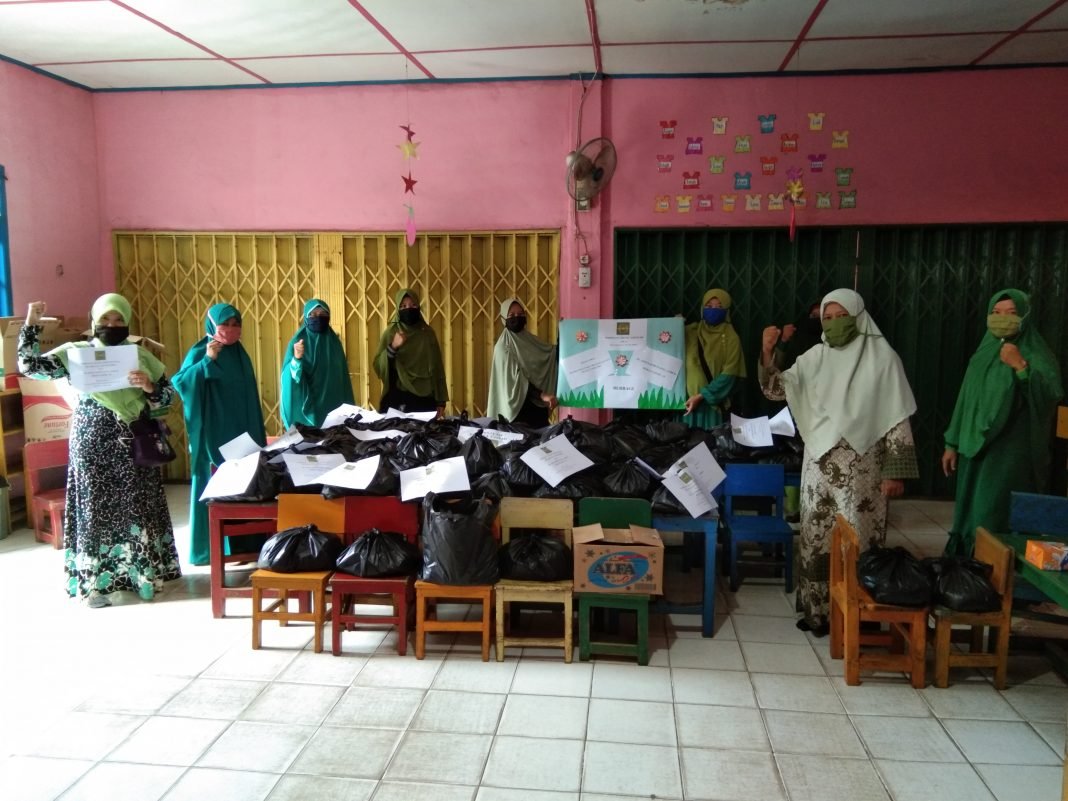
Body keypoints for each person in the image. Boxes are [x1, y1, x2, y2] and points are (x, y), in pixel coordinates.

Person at [759, 288, 918, 635]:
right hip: (818, 465)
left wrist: (895, 471)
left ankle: (859, 618)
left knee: (858, 539)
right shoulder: (815, 357)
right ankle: (818, 613)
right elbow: (776, 390)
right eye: (827, 318)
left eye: (841, 316)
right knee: (815, 537)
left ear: (858, 317)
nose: (833, 324)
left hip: (864, 468)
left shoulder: (882, 359)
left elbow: (897, 417)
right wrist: (768, 353)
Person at [18, 294, 182, 607]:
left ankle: (142, 577)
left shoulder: (140, 356)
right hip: (91, 443)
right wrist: (31, 325)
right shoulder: (75, 353)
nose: (112, 324)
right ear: (94, 320)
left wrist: (149, 387)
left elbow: (167, 398)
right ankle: (95, 585)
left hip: (133, 441)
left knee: (136, 506)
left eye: (119, 319)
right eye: (105, 319)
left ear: (128, 321)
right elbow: (30, 368)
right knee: (94, 509)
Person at [942, 289, 1063, 556]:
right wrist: (952, 443)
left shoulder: (1036, 353)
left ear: (1025, 317)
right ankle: (967, 566)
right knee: (970, 508)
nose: (1002, 319)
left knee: (992, 509)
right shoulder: (984, 352)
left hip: (1009, 451)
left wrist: (1021, 367)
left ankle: (994, 565)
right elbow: (966, 398)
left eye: (1011, 313)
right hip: (974, 447)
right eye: (996, 313)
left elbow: (1049, 396)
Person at [172, 303, 267, 567]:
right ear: (213, 325)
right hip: (214, 433)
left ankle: (247, 545)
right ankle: (212, 549)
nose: (231, 329)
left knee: (246, 486)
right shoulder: (201, 350)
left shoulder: (240, 354)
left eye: (236, 324)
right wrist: (207, 361)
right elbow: (180, 382)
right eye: (225, 324)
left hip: (243, 432)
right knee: (215, 487)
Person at [280, 298, 355, 428]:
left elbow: (343, 379)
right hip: (310, 407)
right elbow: (290, 377)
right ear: (305, 317)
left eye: (323, 314)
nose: (318, 318)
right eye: (313, 314)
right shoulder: (297, 342)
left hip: (334, 406)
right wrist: (297, 359)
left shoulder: (334, 343)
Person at [373, 288, 448, 415]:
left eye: (413, 305)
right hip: (399, 397)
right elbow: (378, 367)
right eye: (403, 306)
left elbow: (437, 367)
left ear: (419, 307)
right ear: (397, 309)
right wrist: (393, 346)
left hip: (426, 399)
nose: (409, 309)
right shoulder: (391, 333)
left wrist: (440, 400)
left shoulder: (428, 333)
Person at [487, 298, 558, 427]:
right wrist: (542, 395)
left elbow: (550, 354)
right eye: (511, 315)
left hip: (537, 409)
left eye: (520, 314)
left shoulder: (531, 340)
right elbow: (518, 380)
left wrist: (564, 333)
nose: (517, 318)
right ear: (503, 318)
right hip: (517, 412)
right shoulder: (503, 347)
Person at [682, 288, 746, 428]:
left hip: (712, 407)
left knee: (709, 439)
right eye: (709, 306)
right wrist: (674, 324)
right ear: (702, 308)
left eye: (719, 307)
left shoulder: (731, 338)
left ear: (726, 311)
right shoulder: (691, 331)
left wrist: (702, 396)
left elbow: (729, 374)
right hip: (687, 404)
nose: (713, 310)